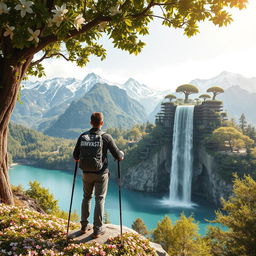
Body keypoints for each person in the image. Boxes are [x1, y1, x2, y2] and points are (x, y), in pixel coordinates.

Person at [73, 112, 124, 238]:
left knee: (86, 198)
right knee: (99, 199)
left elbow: (75, 156)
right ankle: (97, 229)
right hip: (101, 174)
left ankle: (84, 226)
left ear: (91, 122)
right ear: (102, 123)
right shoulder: (106, 137)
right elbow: (117, 156)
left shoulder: (83, 136)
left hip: (86, 174)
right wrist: (121, 154)